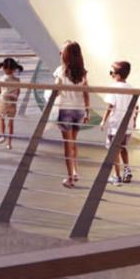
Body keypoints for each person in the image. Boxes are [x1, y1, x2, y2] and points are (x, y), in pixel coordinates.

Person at [49, 42, 90, 189]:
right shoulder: (82, 72)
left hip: (65, 110)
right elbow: (86, 93)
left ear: (66, 55)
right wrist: (87, 111)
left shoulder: (61, 71)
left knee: (67, 144)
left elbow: (56, 90)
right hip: (78, 110)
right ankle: (75, 172)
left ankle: (70, 178)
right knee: (73, 142)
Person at [104, 60, 139, 183]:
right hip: (127, 126)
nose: (110, 75)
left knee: (114, 151)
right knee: (123, 148)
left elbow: (110, 106)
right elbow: (136, 107)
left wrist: (103, 121)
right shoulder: (131, 88)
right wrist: (134, 121)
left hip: (115, 125)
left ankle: (117, 176)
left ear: (117, 75)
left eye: (111, 72)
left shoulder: (113, 87)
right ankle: (127, 170)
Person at [0, 57, 25, 144]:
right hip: (13, 102)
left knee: (1, 118)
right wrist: (16, 98)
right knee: (11, 122)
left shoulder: (2, 79)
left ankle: (2, 136)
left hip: (4, 101)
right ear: (15, 68)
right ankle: (9, 143)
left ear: (3, 68)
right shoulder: (17, 80)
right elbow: (18, 91)